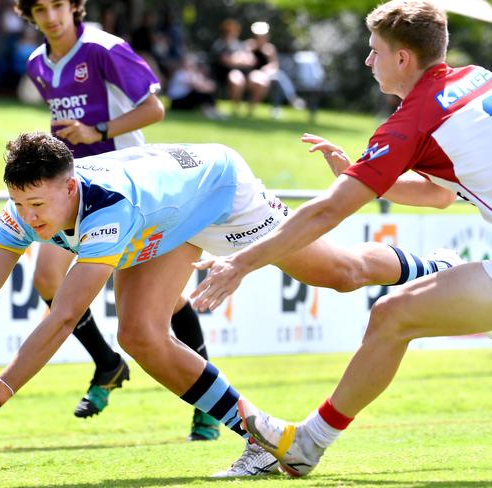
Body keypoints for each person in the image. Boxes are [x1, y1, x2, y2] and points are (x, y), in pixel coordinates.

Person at [0, 133, 462, 477]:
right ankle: (265, 439)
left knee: (340, 274)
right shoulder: (27, 207)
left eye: (39, 204)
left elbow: (64, 315)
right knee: (140, 335)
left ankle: (434, 268)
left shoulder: (106, 210)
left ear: (69, 187)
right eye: (21, 204)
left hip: (220, 192)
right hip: (164, 216)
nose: (31, 219)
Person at [190, 0, 491, 477]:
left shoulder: (412, 121)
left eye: (374, 51)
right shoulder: (476, 77)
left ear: (402, 59)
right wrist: (363, 174)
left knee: (393, 316)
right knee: (393, 315)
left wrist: (241, 263)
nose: (368, 61)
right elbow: (439, 196)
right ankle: (307, 443)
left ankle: (307, 444)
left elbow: (327, 211)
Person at [14, 0, 220, 441]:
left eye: (57, 6)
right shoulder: (37, 64)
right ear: (28, 14)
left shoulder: (104, 49)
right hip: (71, 195)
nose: (50, 16)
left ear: (74, 7)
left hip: (127, 194)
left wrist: (97, 132)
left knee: (165, 304)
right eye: (40, 9)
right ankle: (107, 364)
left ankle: (207, 405)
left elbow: (154, 109)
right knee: (47, 280)